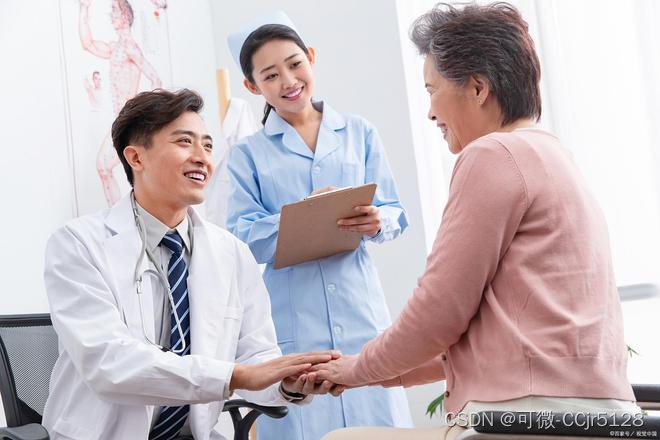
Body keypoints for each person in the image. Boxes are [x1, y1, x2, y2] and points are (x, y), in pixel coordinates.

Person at [313, 3, 641, 440]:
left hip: (527, 417)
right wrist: (362, 370)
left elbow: (439, 312)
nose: (430, 112)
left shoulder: (493, 155)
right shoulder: (553, 155)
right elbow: (484, 338)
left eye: (432, 90)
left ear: (478, 88)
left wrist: (358, 370)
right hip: (588, 416)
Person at [42, 88, 340, 440]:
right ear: (136, 158)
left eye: (208, 146)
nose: (202, 158)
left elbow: (256, 354)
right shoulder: (78, 244)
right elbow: (108, 363)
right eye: (185, 142)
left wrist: (286, 382)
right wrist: (234, 376)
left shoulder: (232, 253)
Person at [225, 11, 413, 440]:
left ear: (311, 57)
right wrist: (301, 216)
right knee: (303, 423)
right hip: (294, 319)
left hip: (359, 309)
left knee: (377, 424)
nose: (288, 81)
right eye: (270, 75)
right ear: (253, 86)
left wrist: (376, 220)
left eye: (295, 64)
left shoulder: (359, 133)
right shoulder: (247, 154)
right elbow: (240, 238)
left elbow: (395, 212)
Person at [79, 0, 162, 206]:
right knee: (105, 167)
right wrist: (84, 8)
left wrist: (149, 117)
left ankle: (120, 213)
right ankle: (118, 212)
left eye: (114, 11)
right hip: (122, 121)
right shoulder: (116, 48)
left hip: (130, 122)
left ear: (125, 16)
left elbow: (155, 78)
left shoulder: (130, 48)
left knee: (105, 166)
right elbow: (88, 44)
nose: (111, 15)